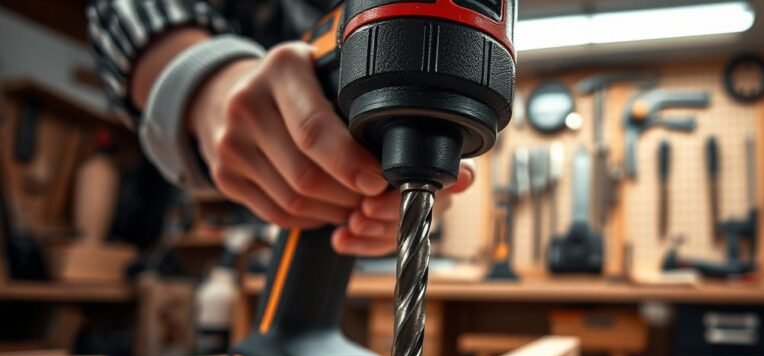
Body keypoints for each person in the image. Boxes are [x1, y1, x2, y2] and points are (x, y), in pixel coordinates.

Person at [86, 0, 475, 256]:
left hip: (350, 253)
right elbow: (121, 11)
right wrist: (211, 86)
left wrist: (406, 196)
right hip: (234, 234)